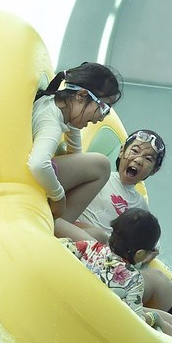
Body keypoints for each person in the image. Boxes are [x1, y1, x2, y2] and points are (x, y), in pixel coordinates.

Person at [66, 208, 172, 343]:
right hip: (97, 325)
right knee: (165, 321)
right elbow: (135, 321)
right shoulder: (133, 280)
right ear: (140, 253)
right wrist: (154, 318)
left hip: (74, 302)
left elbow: (60, 250)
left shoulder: (88, 247)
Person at [29, 62, 121, 242]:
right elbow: (38, 164)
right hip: (31, 179)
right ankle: (55, 223)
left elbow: (76, 156)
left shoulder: (63, 108)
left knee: (100, 237)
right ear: (81, 95)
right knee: (101, 166)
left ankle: (61, 223)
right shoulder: (51, 120)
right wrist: (58, 197)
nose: (103, 116)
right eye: (104, 107)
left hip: (39, 183)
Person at [76, 129, 167, 241]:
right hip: (74, 232)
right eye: (134, 151)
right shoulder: (100, 175)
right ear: (121, 151)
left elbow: (148, 243)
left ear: (154, 170)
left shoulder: (140, 206)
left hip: (100, 252)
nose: (138, 160)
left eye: (148, 159)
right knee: (101, 236)